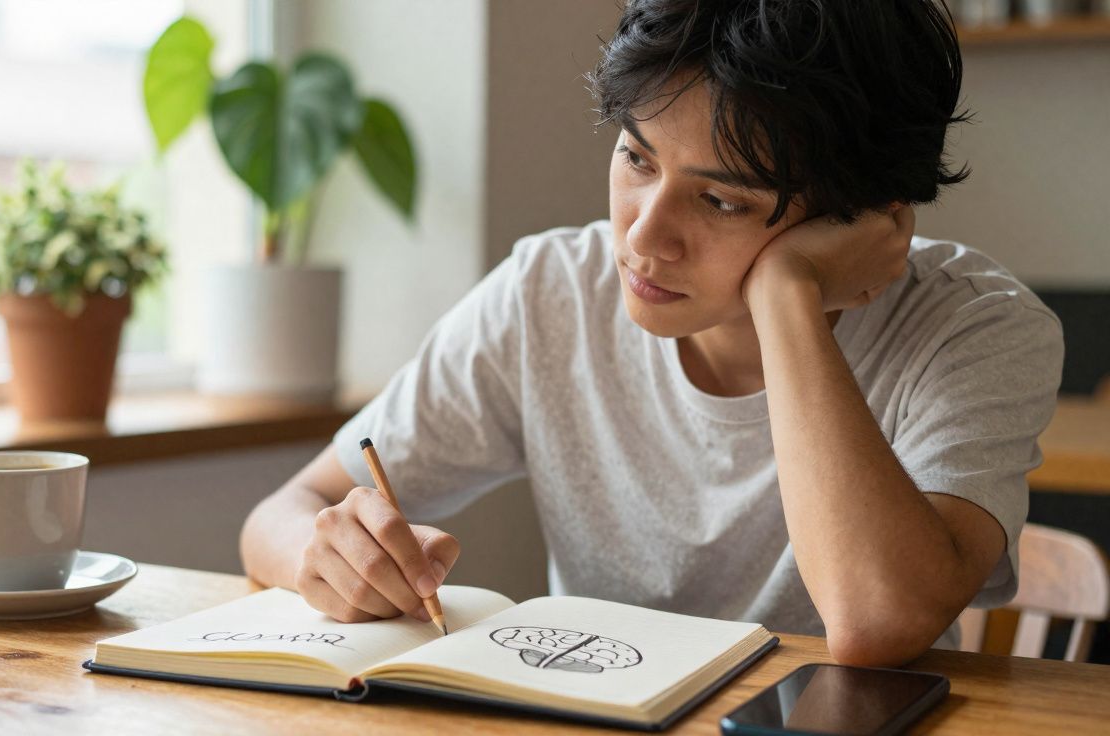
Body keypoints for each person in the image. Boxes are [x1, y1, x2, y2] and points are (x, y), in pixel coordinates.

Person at [239, 0, 1063, 667]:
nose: (642, 237)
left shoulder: (977, 327)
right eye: (638, 160)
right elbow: (284, 512)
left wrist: (785, 298)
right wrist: (329, 554)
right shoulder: (548, 294)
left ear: (864, 219)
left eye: (723, 201)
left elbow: (876, 623)